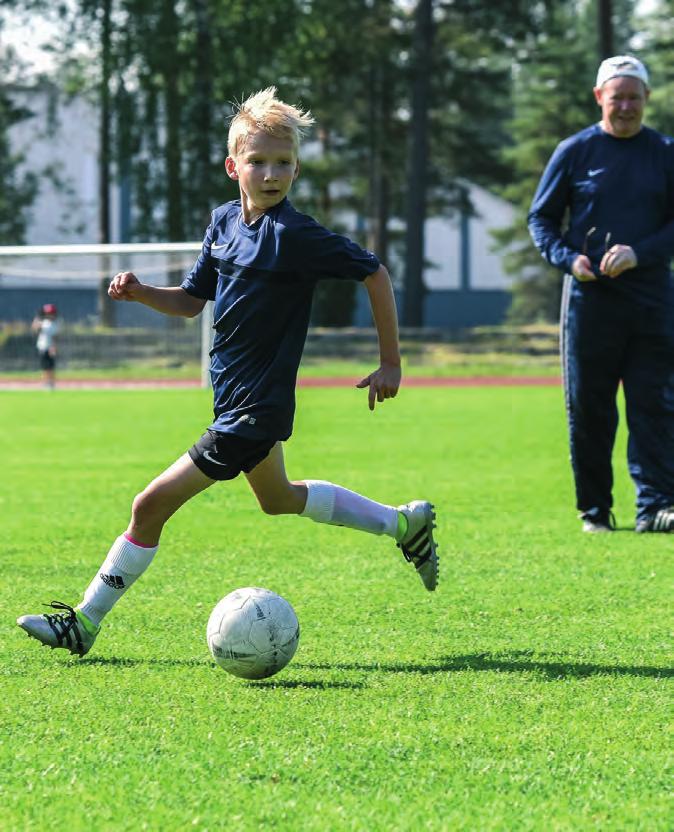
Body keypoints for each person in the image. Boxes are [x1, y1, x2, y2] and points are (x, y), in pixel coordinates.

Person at [17, 87, 439, 657]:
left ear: (296, 167)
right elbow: (193, 300)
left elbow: (375, 272)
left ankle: (84, 623)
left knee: (148, 506)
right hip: (233, 400)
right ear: (232, 166)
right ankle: (403, 525)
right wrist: (142, 294)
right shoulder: (222, 223)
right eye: (259, 161)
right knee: (279, 498)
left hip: (254, 410)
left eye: (284, 163)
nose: (272, 174)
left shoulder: (297, 235)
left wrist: (391, 361)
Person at [528, 55, 674, 534]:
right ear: (599, 98)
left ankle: (655, 507)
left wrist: (641, 252)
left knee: (654, 405)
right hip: (590, 305)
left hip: (652, 302)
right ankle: (595, 512)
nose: (627, 106)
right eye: (618, 97)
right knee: (590, 408)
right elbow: (541, 220)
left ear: (647, 98)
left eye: (635, 97)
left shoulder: (664, 153)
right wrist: (569, 260)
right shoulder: (575, 152)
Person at [31, 302, 59, 389]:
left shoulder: (53, 324)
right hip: (43, 347)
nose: (49, 315)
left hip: (49, 347)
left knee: (50, 366)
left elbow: (54, 337)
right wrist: (37, 318)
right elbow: (35, 328)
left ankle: (51, 383)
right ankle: (46, 382)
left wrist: (53, 347)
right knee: (45, 367)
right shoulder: (44, 322)